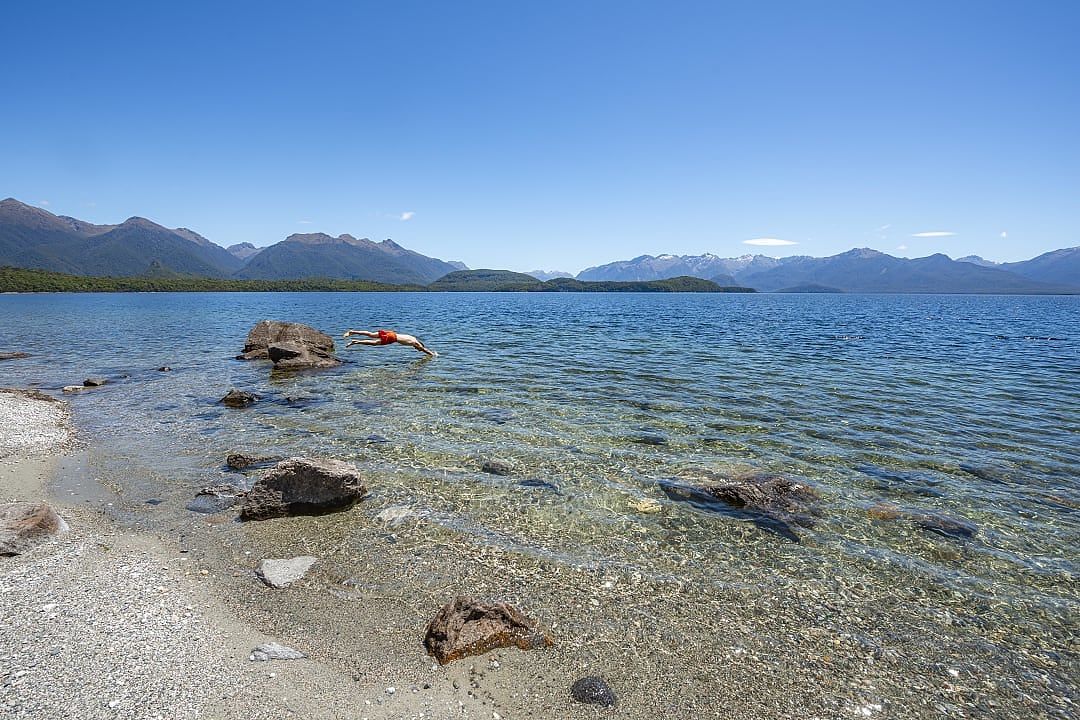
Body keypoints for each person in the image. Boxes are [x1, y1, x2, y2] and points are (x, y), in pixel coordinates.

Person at [342, 328, 437, 357]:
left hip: (392, 333)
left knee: (371, 334)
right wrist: (433, 354)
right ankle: (356, 342)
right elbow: (425, 350)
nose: (417, 350)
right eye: (417, 349)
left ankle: (352, 332)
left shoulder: (413, 338)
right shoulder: (417, 345)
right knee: (374, 343)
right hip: (392, 338)